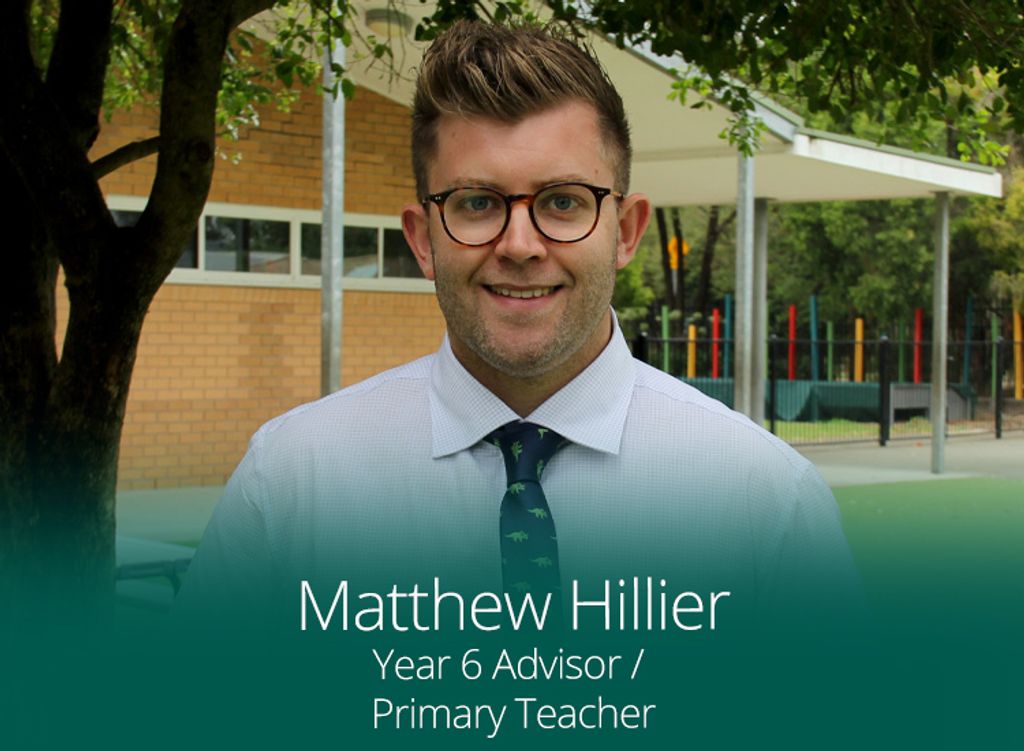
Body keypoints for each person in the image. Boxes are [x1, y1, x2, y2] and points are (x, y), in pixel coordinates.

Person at [177, 21, 861, 627]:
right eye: (477, 203)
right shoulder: (291, 482)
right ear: (422, 239)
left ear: (625, 231)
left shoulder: (765, 503)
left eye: (563, 201)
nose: (521, 245)